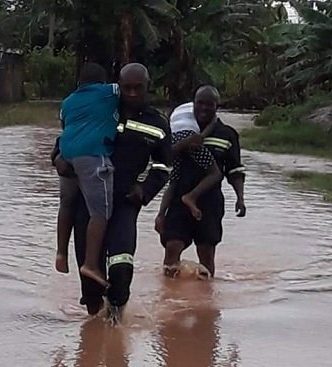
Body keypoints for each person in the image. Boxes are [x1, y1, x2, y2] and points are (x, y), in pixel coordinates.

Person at [52, 63, 172, 321]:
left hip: (126, 203)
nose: (131, 93)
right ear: (117, 87)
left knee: (121, 264)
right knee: (89, 277)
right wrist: (58, 159)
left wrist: (145, 189)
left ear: (147, 87)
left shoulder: (158, 123)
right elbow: (69, 138)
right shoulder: (101, 108)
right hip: (89, 203)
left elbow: (164, 166)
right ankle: (93, 331)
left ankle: (117, 322)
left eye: (137, 88)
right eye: (126, 88)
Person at [156, 85, 246, 277]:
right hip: (178, 200)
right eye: (200, 103)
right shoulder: (180, 129)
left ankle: (206, 301)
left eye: (209, 104)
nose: (204, 108)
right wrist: (161, 213)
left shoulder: (227, 134)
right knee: (172, 247)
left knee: (206, 254)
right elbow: (165, 159)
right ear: (193, 103)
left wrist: (240, 198)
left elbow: (234, 170)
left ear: (217, 106)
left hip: (210, 202)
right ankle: (169, 299)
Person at [55, 62, 120, 288]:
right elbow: (129, 88)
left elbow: (64, 124)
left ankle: (61, 254)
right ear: (101, 81)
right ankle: (91, 263)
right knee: (101, 211)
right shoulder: (109, 92)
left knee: (67, 205)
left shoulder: (68, 101)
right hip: (93, 155)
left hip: (66, 154)